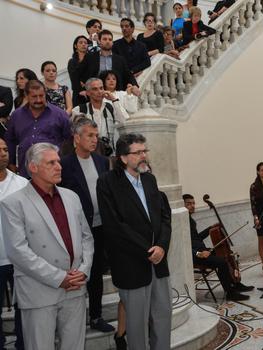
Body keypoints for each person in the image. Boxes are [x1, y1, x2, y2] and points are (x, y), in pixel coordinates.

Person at [0, 142, 94, 350]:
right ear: (33, 167)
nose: (59, 166)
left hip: (75, 288)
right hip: (38, 292)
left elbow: (87, 238)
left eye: (58, 162)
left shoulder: (71, 197)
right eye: (51, 162)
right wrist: (59, 278)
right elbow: (18, 251)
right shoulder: (13, 203)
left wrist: (84, 271)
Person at [97, 133, 172, 350]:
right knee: (137, 325)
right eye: (137, 153)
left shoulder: (150, 179)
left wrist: (162, 247)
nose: (143, 156)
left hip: (158, 263)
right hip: (131, 264)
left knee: (163, 316)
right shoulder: (107, 183)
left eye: (144, 151)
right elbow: (115, 226)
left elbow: (164, 217)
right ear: (123, 157)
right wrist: (148, 250)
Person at [59, 118, 114, 333]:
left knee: (97, 273)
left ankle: (96, 316)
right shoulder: (64, 164)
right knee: (77, 273)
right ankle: (70, 319)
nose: (94, 140)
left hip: (101, 227)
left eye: (96, 135)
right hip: (76, 230)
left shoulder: (102, 161)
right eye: (89, 136)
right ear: (76, 138)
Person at [183, 194, 253, 301]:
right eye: (189, 204)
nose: (192, 206)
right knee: (222, 262)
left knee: (225, 255)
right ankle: (230, 293)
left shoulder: (190, 220)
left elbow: (197, 238)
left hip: (202, 251)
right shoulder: (182, 222)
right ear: (182, 205)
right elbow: (184, 244)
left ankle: (235, 284)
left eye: (193, 203)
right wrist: (198, 253)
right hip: (195, 255)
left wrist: (210, 228)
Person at [5, 80, 71, 177]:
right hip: (26, 170)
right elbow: (10, 140)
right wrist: (11, 163)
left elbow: (69, 140)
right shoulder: (16, 116)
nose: (39, 100)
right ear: (26, 96)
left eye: (41, 96)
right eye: (34, 97)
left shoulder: (60, 115)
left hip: (53, 170)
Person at [0, 138, 27, 350]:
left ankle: (23, 343)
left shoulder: (21, 183)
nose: (2, 153)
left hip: (19, 257)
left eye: (4, 149)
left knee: (23, 306)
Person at [71, 77, 127, 156]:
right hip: (89, 155)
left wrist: (114, 99)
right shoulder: (79, 110)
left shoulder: (111, 107)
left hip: (110, 154)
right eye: (95, 89)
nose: (99, 92)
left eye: (101, 88)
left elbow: (124, 122)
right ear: (88, 93)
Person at [67, 35, 90, 106]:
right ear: (75, 46)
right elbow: (74, 78)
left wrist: (86, 85)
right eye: (81, 42)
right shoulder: (72, 61)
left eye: (85, 43)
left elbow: (93, 74)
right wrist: (81, 90)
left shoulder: (92, 59)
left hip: (91, 92)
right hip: (78, 93)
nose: (83, 44)